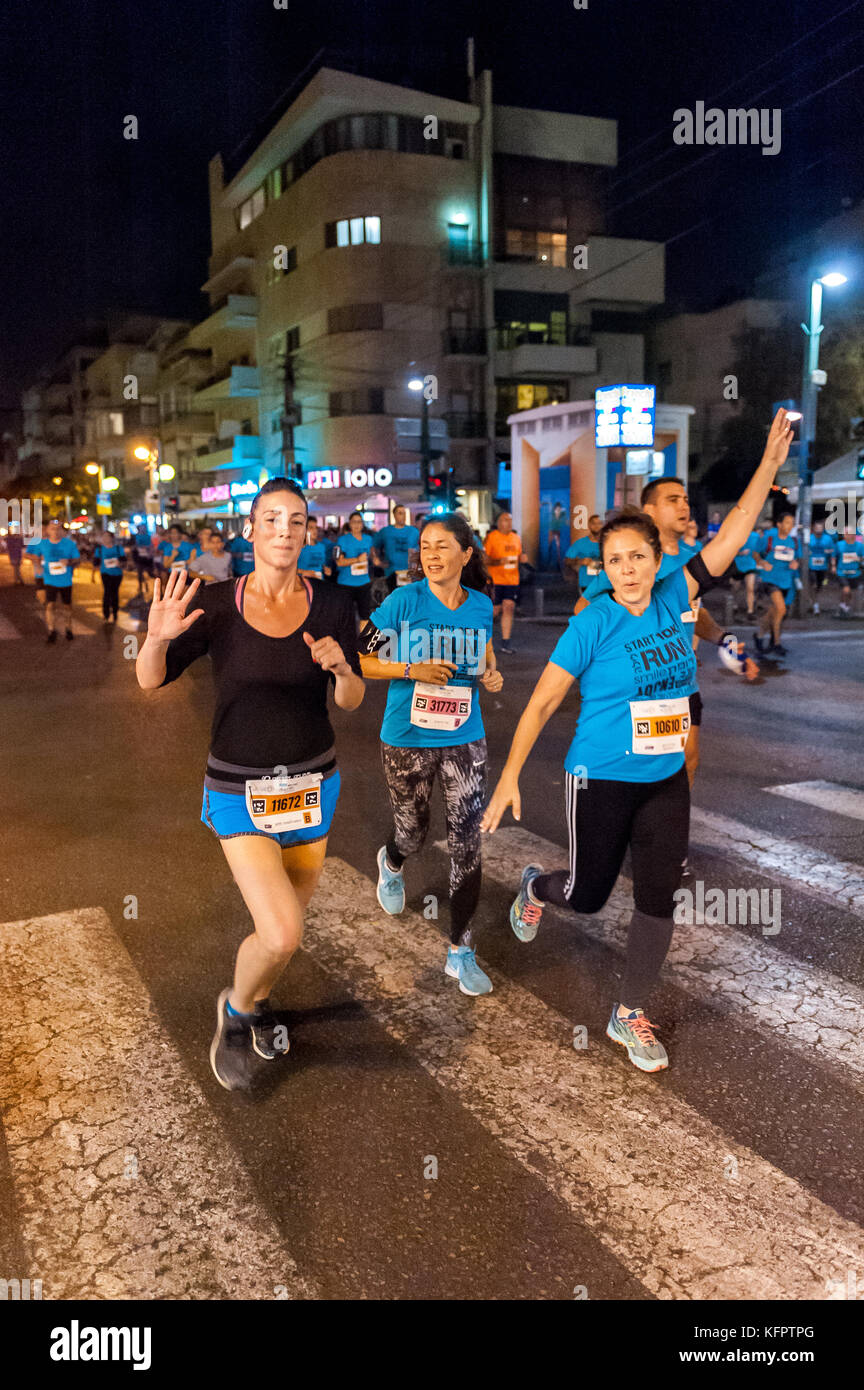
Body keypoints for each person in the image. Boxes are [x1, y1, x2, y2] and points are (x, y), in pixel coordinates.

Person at [481, 409, 794, 1074]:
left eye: (638, 557)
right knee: (589, 896)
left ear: (659, 559)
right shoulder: (592, 623)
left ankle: (628, 1013)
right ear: (605, 566)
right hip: (599, 777)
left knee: (658, 896)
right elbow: (541, 701)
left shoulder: (676, 592)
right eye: (615, 560)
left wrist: (768, 464)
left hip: (663, 780)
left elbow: (736, 531)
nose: (627, 569)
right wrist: (509, 776)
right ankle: (539, 889)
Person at [135, 477, 365, 1091]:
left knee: (283, 937)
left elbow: (351, 698)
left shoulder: (336, 605)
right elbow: (150, 681)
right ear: (251, 531)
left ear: (308, 531)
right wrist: (156, 638)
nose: (284, 531)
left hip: (314, 788)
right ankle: (235, 1013)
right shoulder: (213, 604)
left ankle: (258, 1002)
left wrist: (342, 667)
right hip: (240, 792)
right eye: (272, 520)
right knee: (282, 929)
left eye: (296, 520)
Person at [359, 512, 502, 994]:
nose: (432, 554)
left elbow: (483, 653)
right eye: (425, 546)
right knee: (414, 833)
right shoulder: (403, 601)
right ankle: (393, 860)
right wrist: (410, 669)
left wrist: (489, 673)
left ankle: (461, 950)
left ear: (466, 554)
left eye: (443, 546)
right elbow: (361, 657)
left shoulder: (481, 606)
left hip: (465, 737)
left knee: (467, 842)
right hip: (407, 737)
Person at [27, 517, 80, 643]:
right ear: (48, 531)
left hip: (66, 580)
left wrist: (69, 562)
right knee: (50, 605)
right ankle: (51, 631)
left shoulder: (69, 544)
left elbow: (78, 560)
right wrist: (38, 565)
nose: (55, 531)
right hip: (49, 580)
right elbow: (34, 556)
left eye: (58, 529)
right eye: (52, 529)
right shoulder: (42, 543)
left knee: (67, 607)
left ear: (62, 531)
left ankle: (68, 628)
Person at [754, 511, 799, 655]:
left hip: (786, 581)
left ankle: (760, 635)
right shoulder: (769, 538)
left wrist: (795, 563)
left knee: (774, 611)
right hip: (769, 579)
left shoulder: (794, 541)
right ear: (779, 524)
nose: (790, 525)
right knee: (781, 609)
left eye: (792, 523)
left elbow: (796, 558)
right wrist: (761, 562)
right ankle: (776, 643)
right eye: (787, 522)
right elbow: (755, 553)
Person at [484, 511, 527, 654]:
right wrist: (498, 562)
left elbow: (520, 555)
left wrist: (523, 559)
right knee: (495, 610)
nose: (508, 523)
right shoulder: (492, 537)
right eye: (505, 520)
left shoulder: (516, 538)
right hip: (495, 580)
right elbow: (484, 559)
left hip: (512, 580)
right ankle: (479, 637)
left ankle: (505, 643)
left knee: (509, 607)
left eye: (510, 520)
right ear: (498, 523)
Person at [333, 510, 375, 623]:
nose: (357, 525)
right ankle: (349, 640)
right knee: (347, 618)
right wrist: (357, 560)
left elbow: (372, 556)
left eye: (359, 522)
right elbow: (339, 562)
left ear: (363, 524)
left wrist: (377, 560)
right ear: (349, 524)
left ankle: (365, 641)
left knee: (365, 617)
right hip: (346, 584)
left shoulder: (368, 539)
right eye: (354, 522)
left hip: (364, 582)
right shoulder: (343, 540)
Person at [374, 505, 420, 592]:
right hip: (391, 572)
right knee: (394, 599)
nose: (403, 515)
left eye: (404, 513)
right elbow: (374, 546)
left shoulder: (414, 531)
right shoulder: (386, 531)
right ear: (394, 515)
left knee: (409, 599)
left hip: (409, 572)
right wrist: (377, 561)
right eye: (400, 513)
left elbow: (422, 548)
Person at [92, 527, 126, 623]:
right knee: (107, 592)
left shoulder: (119, 549)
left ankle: (115, 612)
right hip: (105, 574)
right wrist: (93, 575)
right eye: (104, 537)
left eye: (107, 536)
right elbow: (95, 563)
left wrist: (121, 564)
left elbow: (124, 562)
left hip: (117, 574)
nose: (105, 538)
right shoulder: (99, 549)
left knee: (115, 593)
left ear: (112, 538)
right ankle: (106, 614)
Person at [564, 514, 602, 596]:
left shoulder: (608, 543)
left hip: (605, 583)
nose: (597, 526)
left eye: (599, 523)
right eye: (594, 523)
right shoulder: (580, 543)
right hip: (586, 584)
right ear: (589, 525)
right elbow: (567, 560)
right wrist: (580, 561)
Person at [730, 526, 762, 620]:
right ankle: (734, 604)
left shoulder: (756, 536)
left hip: (750, 564)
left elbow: (759, 551)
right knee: (736, 587)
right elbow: (728, 551)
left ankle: (750, 611)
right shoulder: (736, 535)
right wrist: (739, 553)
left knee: (750, 588)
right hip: (738, 565)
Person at [806, 520, 835, 615]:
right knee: (813, 585)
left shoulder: (828, 539)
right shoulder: (809, 538)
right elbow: (804, 550)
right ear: (813, 528)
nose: (819, 530)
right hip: (811, 566)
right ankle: (816, 606)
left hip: (823, 567)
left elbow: (832, 552)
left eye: (820, 528)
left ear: (823, 529)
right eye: (817, 528)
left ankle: (813, 600)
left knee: (819, 587)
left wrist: (832, 564)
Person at [835, 525, 864, 616]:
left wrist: (856, 558)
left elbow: (862, 559)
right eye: (845, 533)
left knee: (850, 592)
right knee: (846, 589)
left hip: (854, 573)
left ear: (854, 534)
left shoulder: (860, 546)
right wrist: (832, 566)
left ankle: (843, 605)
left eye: (848, 533)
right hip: (841, 572)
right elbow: (834, 557)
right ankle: (843, 606)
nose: (846, 535)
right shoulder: (839, 545)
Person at [547, 501, 568, 573]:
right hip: (552, 530)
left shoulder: (562, 513)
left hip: (557, 531)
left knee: (558, 547)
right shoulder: (552, 512)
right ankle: (549, 562)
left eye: (559, 508)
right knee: (549, 546)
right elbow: (549, 503)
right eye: (557, 508)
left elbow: (565, 520)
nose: (558, 510)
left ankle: (558, 564)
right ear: (555, 508)